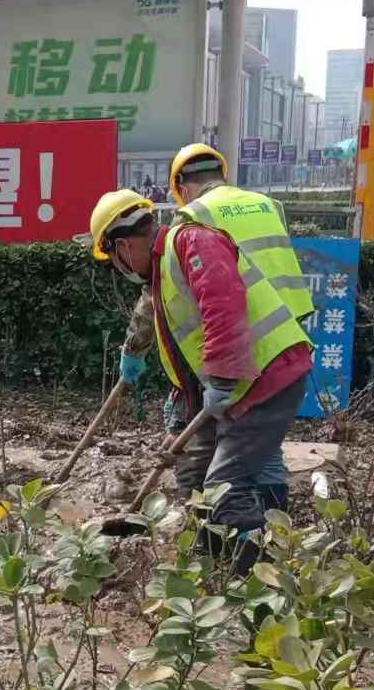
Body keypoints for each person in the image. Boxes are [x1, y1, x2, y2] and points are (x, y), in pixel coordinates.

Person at [90, 181, 313, 568]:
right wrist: (187, 421)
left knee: (225, 486)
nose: (120, 269)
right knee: (196, 468)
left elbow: (223, 307)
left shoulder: (190, 242)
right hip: (240, 383)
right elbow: (187, 357)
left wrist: (223, 380)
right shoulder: (163, 271)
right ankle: (209, 556)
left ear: (122, 247)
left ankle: (257, 578)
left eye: (114, 261)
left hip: (268, 379)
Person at [114, 142, 316, 514]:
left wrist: (134, 349)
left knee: (229, 476)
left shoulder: (192, 221)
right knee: (258, 456)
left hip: (237, 344)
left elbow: (163, 295)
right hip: (280, 335)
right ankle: (270, 529)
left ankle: (244, 545)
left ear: (181, 186)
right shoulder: (268, 205)